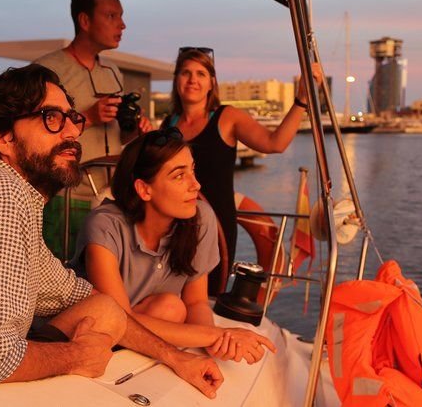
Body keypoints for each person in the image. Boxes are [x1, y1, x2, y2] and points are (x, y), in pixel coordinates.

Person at [0, 64, 222, 399]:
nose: (72, 132)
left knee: (103, 310)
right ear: (3, 138)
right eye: (51, 118)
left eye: (72, 118)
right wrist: (77, 356)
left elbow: (87, 298)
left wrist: (176, 357)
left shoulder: (17, 198)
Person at [70, 128, 276, 364]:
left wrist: (215, 344)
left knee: (171, 307)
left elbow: (196, 302)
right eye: (179, 176)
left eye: (192, 170)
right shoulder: (104, 226)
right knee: (171, 309)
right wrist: (215, 334)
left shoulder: (200, 219)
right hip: (90, 329)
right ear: (144, 189)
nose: (196, 185)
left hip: (142, 323)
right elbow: (117, 318)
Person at [162, 47, 323, 294]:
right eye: (185, 73)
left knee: (206, 298)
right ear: (176, 80)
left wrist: (301, 100)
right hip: (171, 226)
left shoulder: (228, 117)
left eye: (201, 74)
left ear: (211, 83)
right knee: (169, 294)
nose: (192, 79)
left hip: (215, 229)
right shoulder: (168, 125)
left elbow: (275, 143)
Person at [34, 0, 151, 257]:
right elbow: (34, 131)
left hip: (111, 199)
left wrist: (134, 129)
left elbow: (120, 136)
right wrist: (88, 116)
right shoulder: (46, 70)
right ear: (85, 21)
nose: (122, 25)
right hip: (66, 198)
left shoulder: (113, 72)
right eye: (112, 16)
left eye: (121, 16)